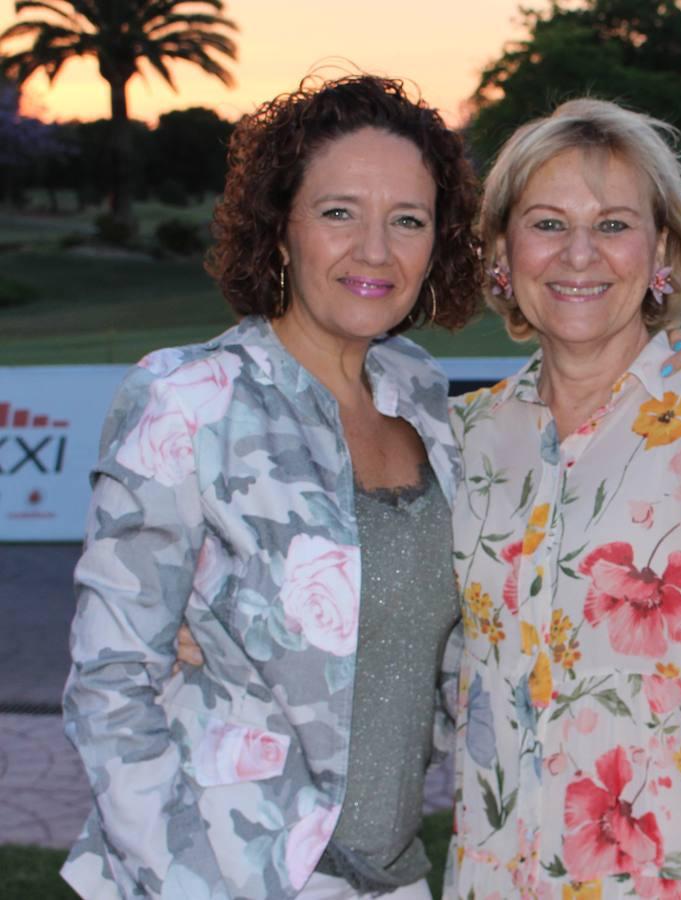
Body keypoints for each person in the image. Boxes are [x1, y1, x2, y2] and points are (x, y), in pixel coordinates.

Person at [59, 74, 481, 900]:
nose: (374, 250)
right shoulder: (189, 402)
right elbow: (111, 685)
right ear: (280, 230)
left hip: (392, 876)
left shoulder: (426, 399)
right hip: (223, 874)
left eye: (407, 220)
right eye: (338, 212)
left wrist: (670, 352)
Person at [445, 98, 681, 898]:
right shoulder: (463, 438)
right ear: (501, 251)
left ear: (660, 249)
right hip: (494, 875)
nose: (579, 255)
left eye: (614, 225)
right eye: (547, 223)